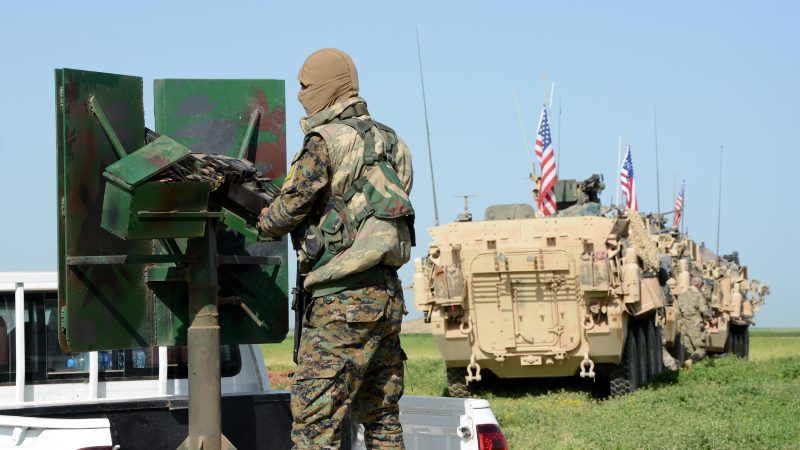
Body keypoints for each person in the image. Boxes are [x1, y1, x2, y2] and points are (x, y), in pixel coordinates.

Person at [258, 48, 414, 450]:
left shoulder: (324, 140)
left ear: (328, 87)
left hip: (341, 302)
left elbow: (288, 209)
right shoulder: (394, 141)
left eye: (306, 86)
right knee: (382, 420)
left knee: (315, 427)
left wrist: (262, 220)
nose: (300, 95)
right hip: (387, 297)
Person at [677, 276, 712, 368]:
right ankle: (690, 362)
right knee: (701, 350)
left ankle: (689, 370)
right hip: (695, 325)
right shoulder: (699, 295)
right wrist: (710, 319)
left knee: (690, 351)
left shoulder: (681, 295)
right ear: (699, 285)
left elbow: (677, 312)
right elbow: (704, 311)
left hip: (684, 326)